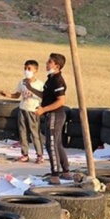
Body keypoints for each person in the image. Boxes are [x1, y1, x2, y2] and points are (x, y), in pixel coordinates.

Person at [32, 53, 72, 185]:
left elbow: (60, 101)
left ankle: (55, 173)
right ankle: (66, 170)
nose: (46, 64)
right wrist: (30, 88)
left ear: (57, 66)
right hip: (51, 114)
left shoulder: (58, 80)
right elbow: (46, 95)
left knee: (51, 144)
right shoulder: (50, 78)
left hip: (55, 114)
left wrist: (43, 109)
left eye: (50, 62)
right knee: (57, 143)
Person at [0, 60, 45, 164]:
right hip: (23, 109)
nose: (26, 71)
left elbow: (43, 96)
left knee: (35, 133)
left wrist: (41, 108)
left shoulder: (40, 84)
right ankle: (25, 154)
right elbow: (17, 95)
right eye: (25, 68)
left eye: (29, 69)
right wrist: (7, 95)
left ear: (35, 70)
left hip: (33, 110)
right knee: (22, 132)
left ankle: (39, 155)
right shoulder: (22, 82)